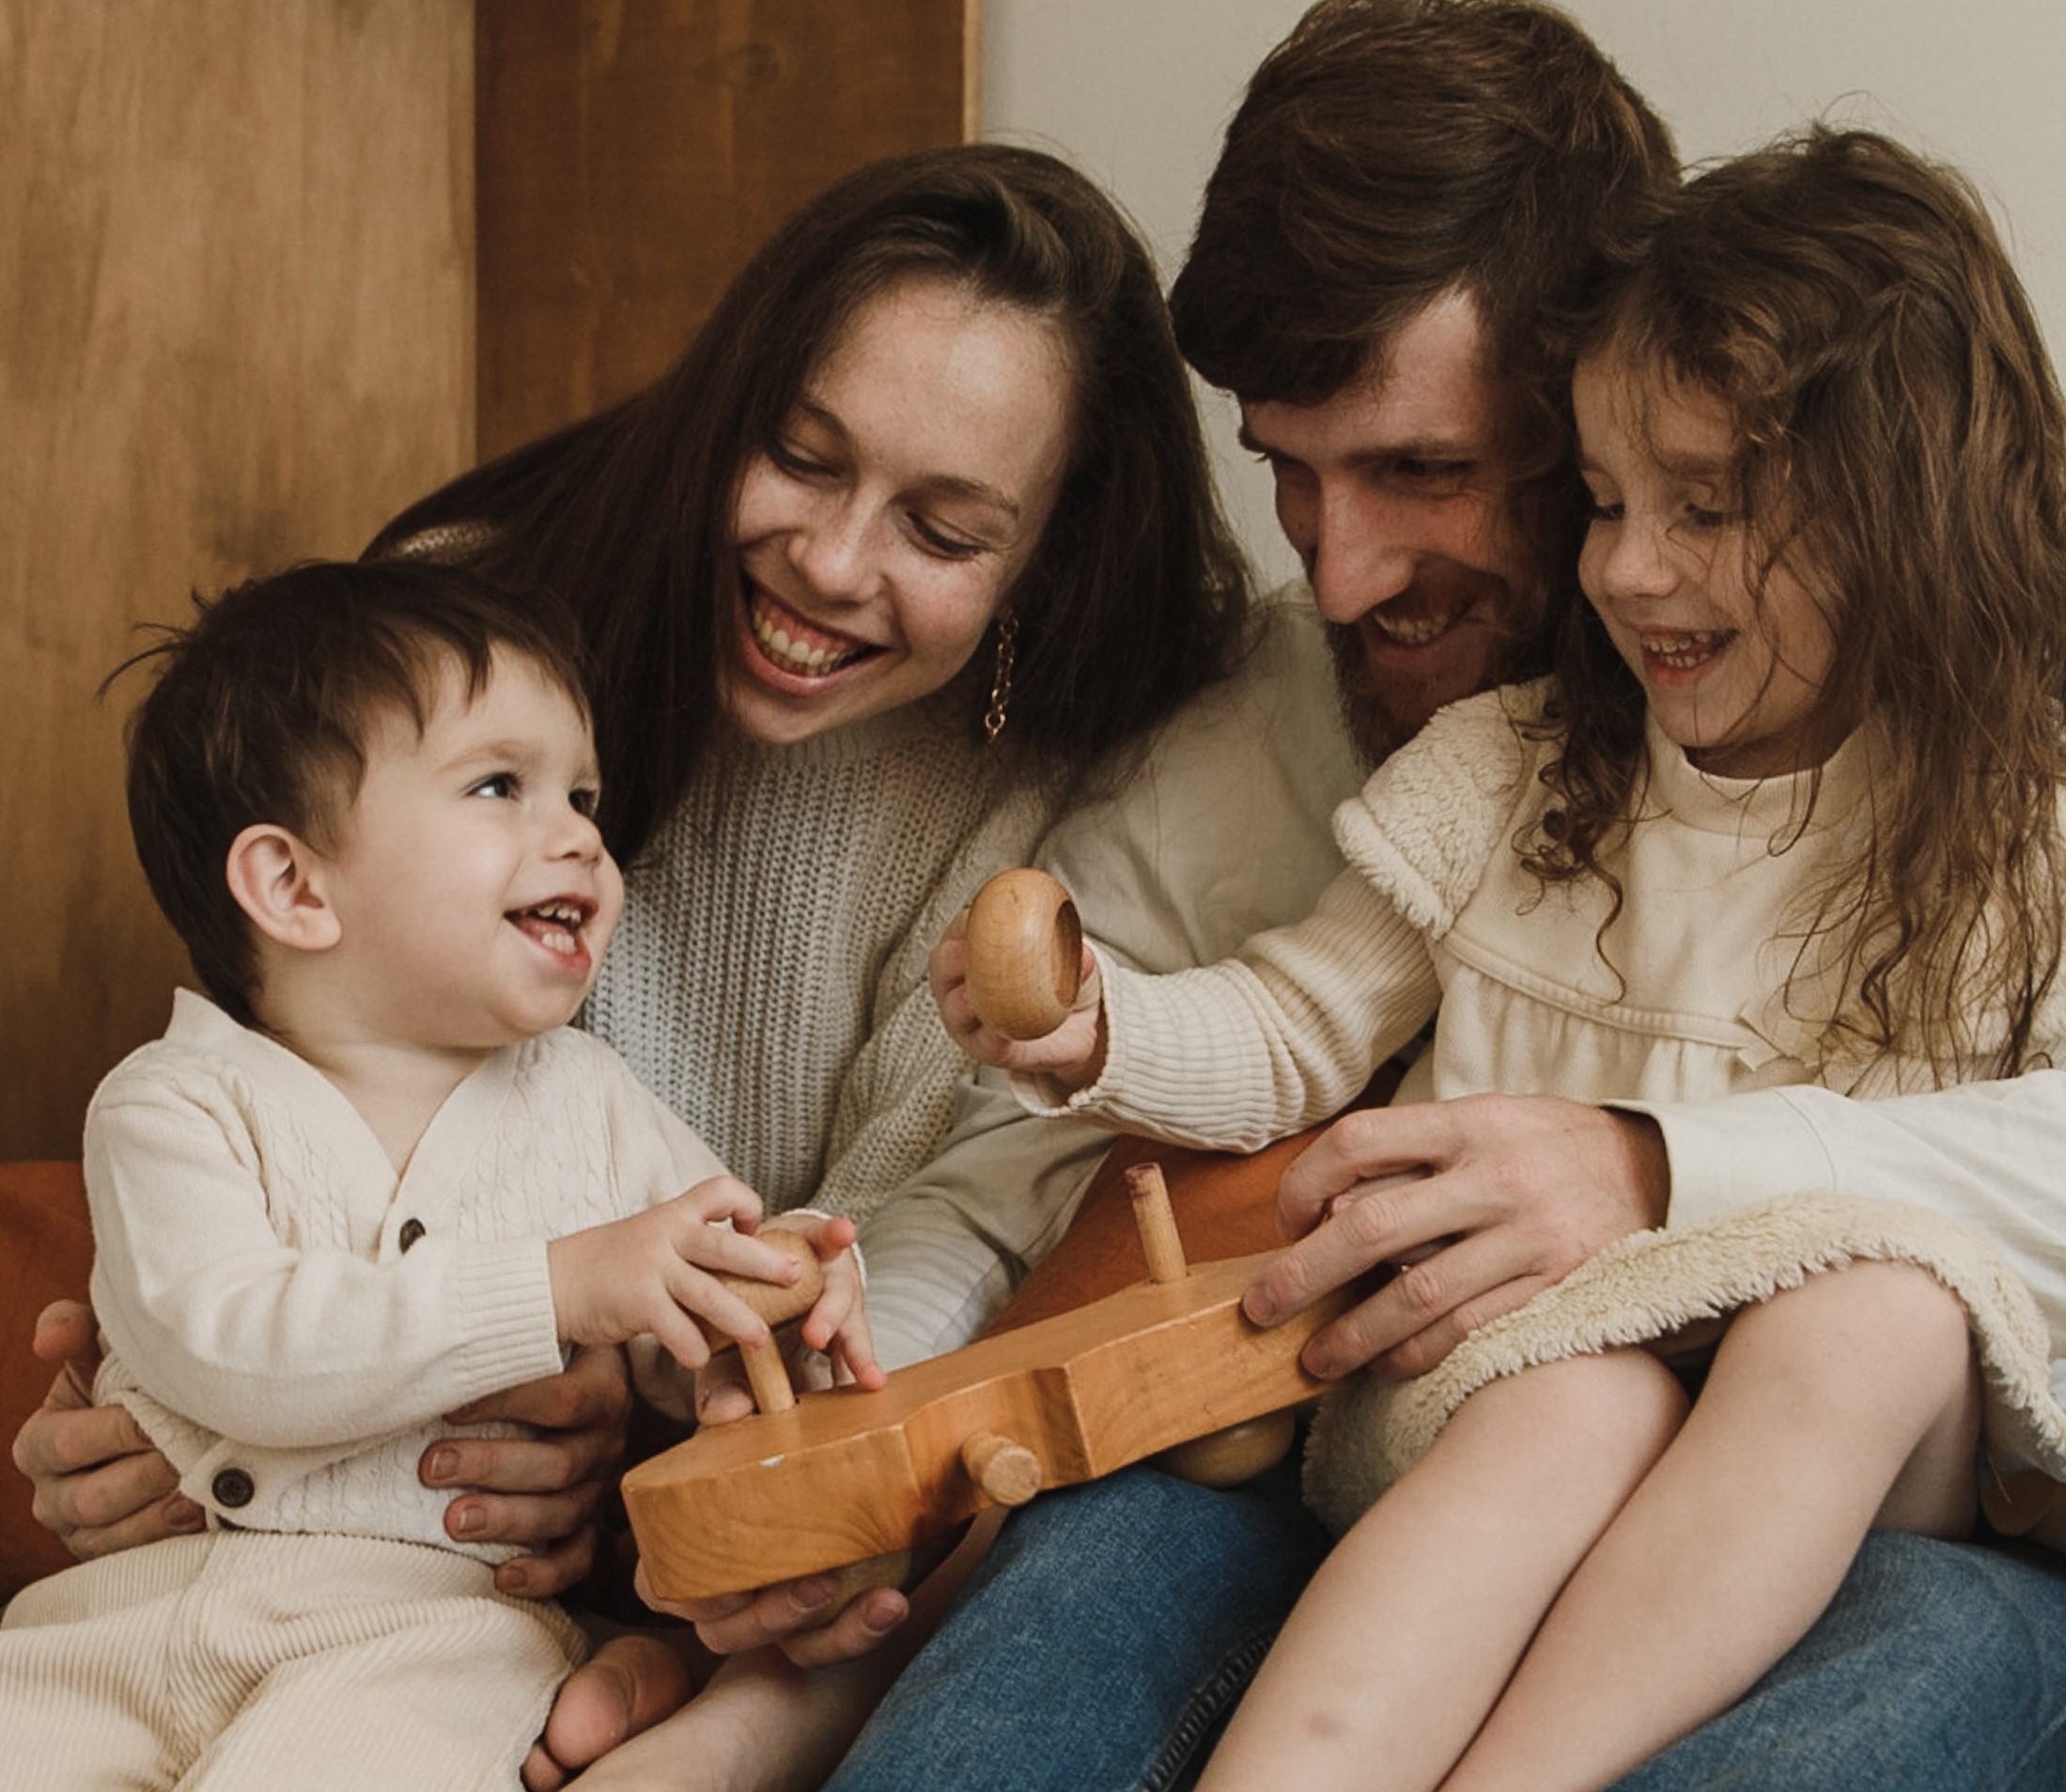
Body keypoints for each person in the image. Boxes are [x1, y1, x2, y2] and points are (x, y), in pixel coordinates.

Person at [824, 5, 2066, 1791]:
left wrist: (1655, 1172)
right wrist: (850, 1480)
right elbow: (996, 1178)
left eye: (1423, 470)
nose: (1338, 573)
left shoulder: (2025, 707)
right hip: (1427, 1437)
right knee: (1034, 1677)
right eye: (1286, 474)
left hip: (1901, 1524)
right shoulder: (1331, 744)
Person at [10, 145, 1360, 1787]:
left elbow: (920, 1245)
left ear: (1047, 558)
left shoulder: (1110, 764)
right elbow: (307, 1074)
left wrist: (714, 1374)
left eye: (942, 529)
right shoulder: (472, 624)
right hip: (313, 1507)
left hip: (621, 1542)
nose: (833, 564)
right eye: (801, 456)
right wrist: (130, 1398)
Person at [0, 559, 879, 1789]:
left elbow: (702, 1324)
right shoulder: (171, 1103)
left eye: (582, 793)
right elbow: (233, 1345)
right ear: (294, 885)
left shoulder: (595, 1104)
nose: (577, 831)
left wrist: (780, 1313)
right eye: (498, 786)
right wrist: (558, 1287)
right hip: (111, 1627)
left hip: (427, 1639)